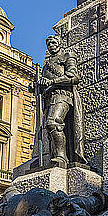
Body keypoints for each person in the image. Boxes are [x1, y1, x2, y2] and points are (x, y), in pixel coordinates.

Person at [39, 35, 85, 167]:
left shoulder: (67, 56)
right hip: (49, 98)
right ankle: (58, 155)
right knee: (49, 127)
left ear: (59, 43)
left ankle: (61, 157)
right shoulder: (47, 65)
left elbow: (73, 77)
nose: (51, 46)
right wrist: (37, 85)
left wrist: (52, 82)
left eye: (53, 43)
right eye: (49, 44)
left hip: (63, 95)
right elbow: (43, 83)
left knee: (53, 123)